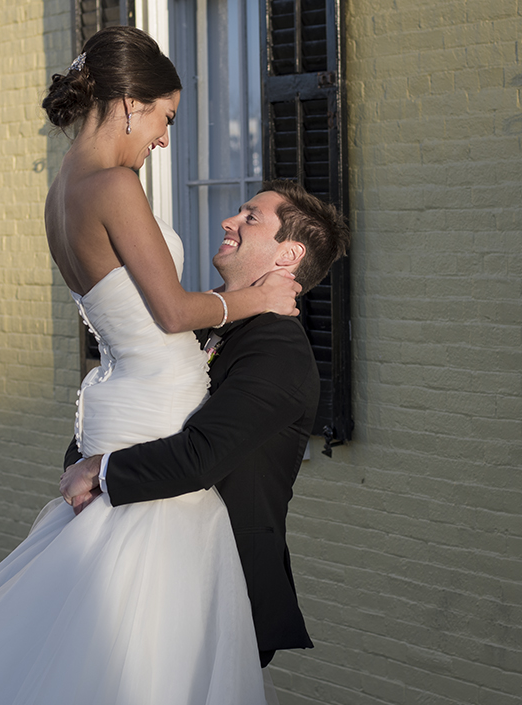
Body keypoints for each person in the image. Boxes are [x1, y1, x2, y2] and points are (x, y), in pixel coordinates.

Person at [0, 27, 301, 705]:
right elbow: (170, 312)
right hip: (156, 400)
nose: (164, 140)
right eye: (165, 118)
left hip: (118, 394)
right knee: (152, 610)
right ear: (130, 104)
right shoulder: (113, 186)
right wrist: (259, 301)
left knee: (101, 585)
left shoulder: (64, 187)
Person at [60, 178, 349, 668]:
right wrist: (84, 457)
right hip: (138, 562)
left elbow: (202, 456)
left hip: (216, 581)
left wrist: (99, 470)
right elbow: (136, 399)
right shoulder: (203, 321)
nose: (228, 221)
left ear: (288, 254)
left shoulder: (278, 351)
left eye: (250, 217)